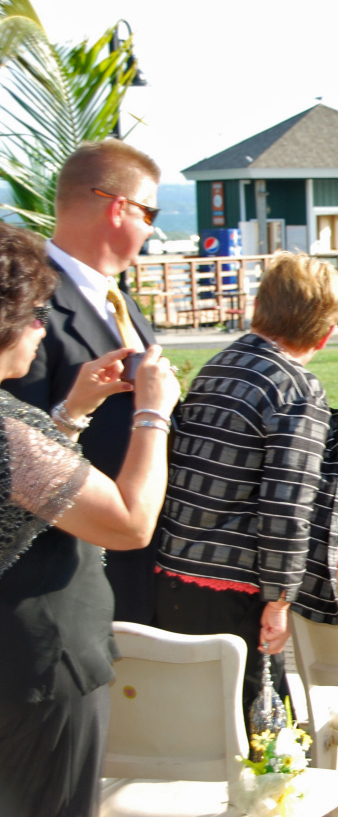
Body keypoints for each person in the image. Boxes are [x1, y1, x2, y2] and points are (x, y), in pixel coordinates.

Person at [0, 223, 180, 817]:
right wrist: (153, 412)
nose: (40, 327)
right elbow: (129, 522)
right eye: (31, 314)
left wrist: (71, 413)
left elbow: (23, 491)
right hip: (36, 670)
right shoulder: (6, 433)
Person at [152, 252, 338, 730]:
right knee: (260, 741)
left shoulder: (215, 368)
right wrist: (280, 600)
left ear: (257, 306)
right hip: (237, 589)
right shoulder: (297, 389)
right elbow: (287, 504)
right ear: (324, 335)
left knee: (193, 730)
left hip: (172, 570)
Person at [2, 139, 162, 625]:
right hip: (49, 585)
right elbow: (16, 452)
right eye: (149, 215)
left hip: (119, 574)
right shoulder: (27, 299)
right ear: (121, 208)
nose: (150, 231)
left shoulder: (121, 300)